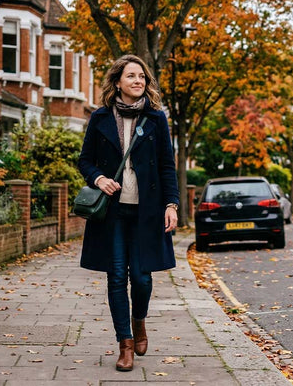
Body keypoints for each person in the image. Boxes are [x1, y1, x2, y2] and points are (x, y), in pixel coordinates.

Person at [78, 55, 179, 371]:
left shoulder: (156, 118)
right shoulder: (100, 118)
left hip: (147, 211)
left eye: (142, 77)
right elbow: (85, 160)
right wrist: (99, 178)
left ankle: (139, 321)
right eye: (132, 76)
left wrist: (172, 205)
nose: (138, 81)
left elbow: (167, 166)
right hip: (112, 212)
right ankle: (125, 345)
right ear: (118, 81)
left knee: (142, 277)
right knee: (117, 276)